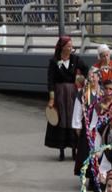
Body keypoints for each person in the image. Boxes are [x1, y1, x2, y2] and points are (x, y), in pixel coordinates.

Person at [45, 32, 77, 161]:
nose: (71, 48)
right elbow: (50, 80)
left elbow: (85, 71)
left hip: (73, 94)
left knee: (73, 119)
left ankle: (74, 149)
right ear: (62, 47)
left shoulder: (76, 59)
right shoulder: (54, 61)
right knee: (61, 119)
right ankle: (61, 149)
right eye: (68, 46)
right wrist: (52, 98)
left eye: (71, 46)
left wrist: (80, 79)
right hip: (60, 94)